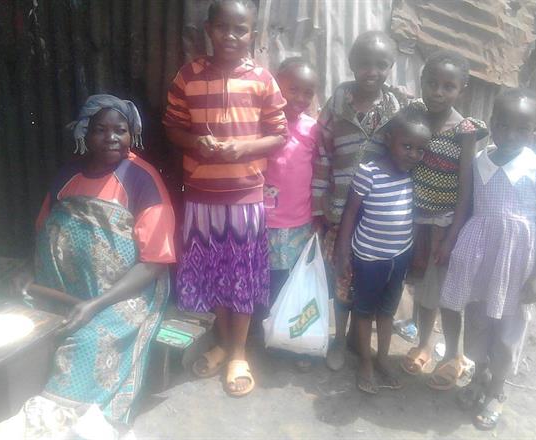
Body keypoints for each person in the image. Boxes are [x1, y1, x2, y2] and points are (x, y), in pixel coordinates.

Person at [0, 94, 177, 438]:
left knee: (91, 340)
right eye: (100, 129)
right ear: (85, 134)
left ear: (132, 135)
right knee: (14, 333)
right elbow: (47, 233)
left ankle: (58, 416)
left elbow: (155, 263)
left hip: (124, 294)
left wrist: (95, 305)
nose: (111, 137)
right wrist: (28, 270)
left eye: (121, 130)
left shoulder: (141, 179)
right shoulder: (67, 176)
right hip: (60, 289)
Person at [163, 0, 287, 397]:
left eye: (240, 30)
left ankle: (237, 352)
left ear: (254, 34)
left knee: (243, 279)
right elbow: (172, 127)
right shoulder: (188, 76)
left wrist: (245, 148)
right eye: (222, 28)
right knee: (216, 276)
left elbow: (278, 134)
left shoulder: (263, 80)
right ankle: (221, 341)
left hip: (245, 199)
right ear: (208, 30)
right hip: (202, 196)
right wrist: (194, 141)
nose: (231, 36)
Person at [440, 89, 536, 430]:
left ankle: (497, 390)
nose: (510, 135)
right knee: (478, 321)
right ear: (492, 124)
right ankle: (478, 377)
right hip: (479, 259)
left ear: (534, 131)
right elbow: (469, 209)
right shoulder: (478, 162)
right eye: (503, 126)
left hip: (516, 264)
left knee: (507, 330)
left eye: (522, 129)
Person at [311, 31, 408, 371]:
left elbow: (409, 145)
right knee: (341, 276)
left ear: (390, 67)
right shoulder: (337, 103)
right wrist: (320, 198)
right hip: (339, 209)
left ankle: (358, 337)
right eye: (365, 64)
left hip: (375, 215)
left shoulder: (396, 108)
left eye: (381, 65)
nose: (373, 72)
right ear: (352, 64)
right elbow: (322, 151)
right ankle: (339, 337)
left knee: (367, 278)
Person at [400, 51, 488, 390]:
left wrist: (452, 237)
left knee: (449, 295)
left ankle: (453, 354)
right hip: (415, 220)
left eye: (448, 86)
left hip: (445, 223)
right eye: (432, 84)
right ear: (421, 83)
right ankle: (423, 344)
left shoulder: (465, 130)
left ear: (461, 90)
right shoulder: (414, 116)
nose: (438, 92)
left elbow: (466, 188)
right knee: (424, 290)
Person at [334, 107, 431, 393]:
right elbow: (351, 213)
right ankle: (365, 361)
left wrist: (414, 255)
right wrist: (342, 252)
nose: (413, 154)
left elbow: (413, 219)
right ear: (389, 139)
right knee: (364, 312)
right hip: (369, 258)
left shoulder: (414, 177)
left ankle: (382, 359)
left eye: (419, 150)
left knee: (387, 312)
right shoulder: (369, 172)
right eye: (407, 146)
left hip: (398, 257)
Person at [264, 57, 319, 371]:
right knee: (270, 282)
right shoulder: (265, 124)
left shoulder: (313, 129)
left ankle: (295, 339)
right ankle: (273, 335)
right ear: (277, 86)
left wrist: (319, 219)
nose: (300, 98)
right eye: (293, 90)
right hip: (266, 222)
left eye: (307, 93)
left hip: (300, 223)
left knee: (295, 283)